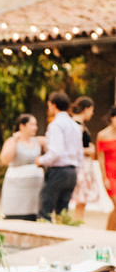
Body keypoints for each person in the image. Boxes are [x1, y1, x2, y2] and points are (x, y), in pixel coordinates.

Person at [36, 91, 83, 221]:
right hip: (72, 171)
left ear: (53, 105)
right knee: (63, 213)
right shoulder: (75, 125)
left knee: (46, 210)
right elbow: (80, 153)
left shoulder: (56, 124)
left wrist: (40, 160)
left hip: (58, 171)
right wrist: (76, 171)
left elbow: (55, 152)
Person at [0, 114, 45, 220]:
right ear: (22, 126)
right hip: (16, 188)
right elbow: (5, 160)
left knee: (33, 217)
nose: (35, 127)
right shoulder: (12, 141)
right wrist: (15, 140)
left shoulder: (38, 141)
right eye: (32, 124)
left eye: (36, 125)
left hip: (34, 190)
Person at [69, 96, 99, 221]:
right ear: (86, 109)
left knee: (83, 198)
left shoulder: (80, 125)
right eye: (91, 110)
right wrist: (88, 150)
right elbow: (71, 149)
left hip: (85, 165)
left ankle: (79, 220)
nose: (92, 113)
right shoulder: (75, 126)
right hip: (80, 165)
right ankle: (77, 220)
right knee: (79, 197)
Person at [96, 106, 116, 231]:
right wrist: (104, 178)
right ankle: (109, 231)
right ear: (111, 118)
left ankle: (110, 231)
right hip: (110, 174)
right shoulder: (102, 135)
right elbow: (100, 158)